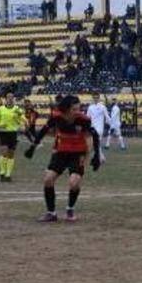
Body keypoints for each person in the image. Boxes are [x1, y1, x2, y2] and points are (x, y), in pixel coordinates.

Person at [27, 95, 102, 223]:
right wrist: (33, 147)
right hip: (61, 152)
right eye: (74, 109)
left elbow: (93, 135)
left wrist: (97, 156)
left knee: (74, 183)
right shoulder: (57, 116)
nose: (77, 112)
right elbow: (44, 130)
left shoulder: (83, 119)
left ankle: (70, 209)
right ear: (66, 109)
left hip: (78, 154)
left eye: (78, 109)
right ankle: (51, 213)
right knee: (48, 180)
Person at [0, 92, 26, 182]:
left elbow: (22, 116)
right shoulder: (0, 109)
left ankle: (8, 174)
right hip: (3, 132)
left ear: (13, 99)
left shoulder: (17, 109)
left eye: (12, 97)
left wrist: (24, 121)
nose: (10, 99)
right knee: (4, 151)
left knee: (11, 154)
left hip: (13, 133)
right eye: (8, 97)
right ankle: (2, 172)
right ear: (6, 99)